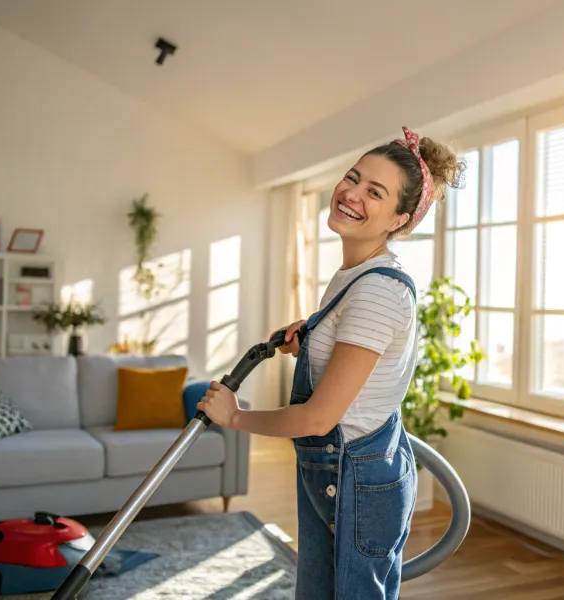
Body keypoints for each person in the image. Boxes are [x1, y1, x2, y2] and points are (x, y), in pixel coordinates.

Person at [197, 126, 464, 599]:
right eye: (353, 177)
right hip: (336, 472)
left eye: (374, 192)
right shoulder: (356, 274)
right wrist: (317, 337)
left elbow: (320, 417)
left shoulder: (378, 290)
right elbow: (362, 358)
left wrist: (234, 416)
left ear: (398, 220)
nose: (352, 193)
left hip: (358, 479)